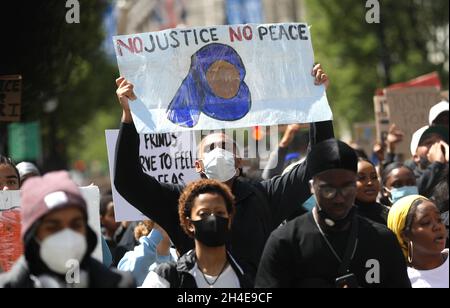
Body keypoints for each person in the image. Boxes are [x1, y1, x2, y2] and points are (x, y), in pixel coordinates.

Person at [114, 64, 334, 279]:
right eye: (211, 148)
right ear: (198, 165)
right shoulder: (179, 201)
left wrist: (318, 106)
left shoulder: (263, 197)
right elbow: (127, 181)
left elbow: (315, 168)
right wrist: (130, 117)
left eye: (226, 147)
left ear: (238, 162)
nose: (218, 152)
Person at [255, 139, 411, 288]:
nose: (339, 197)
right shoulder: (285, 242)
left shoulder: (383, 239)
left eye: (347, 187)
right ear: (312, 187)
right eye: (328, 189)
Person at [0, 171, 135, 288]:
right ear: (32, 235)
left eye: (76, 225)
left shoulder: (119, 284)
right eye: (53, 227)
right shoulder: (8, 285)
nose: (67, 235)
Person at [141, 179, 253, 288]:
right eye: (204, 214)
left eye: (220, 213)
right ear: (189, 224)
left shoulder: (248, 276)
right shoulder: (166, 277)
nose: (213, 219)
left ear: (229, 220)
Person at [387, 195, 448, 288]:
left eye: (439, 220)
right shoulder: (403, 281)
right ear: (405, 235)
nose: (437, 227)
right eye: (426, 222)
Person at [407, 125, 449, 198]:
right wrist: (437, 163)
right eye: (428, 142)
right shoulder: (409, 179)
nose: (437, 145)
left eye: (442, 141)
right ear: (416, 157)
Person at [355, 158, 389, 225]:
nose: (370, 183)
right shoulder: (345, 218)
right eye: (361, 178)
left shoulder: (389, 215)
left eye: (374, 177)